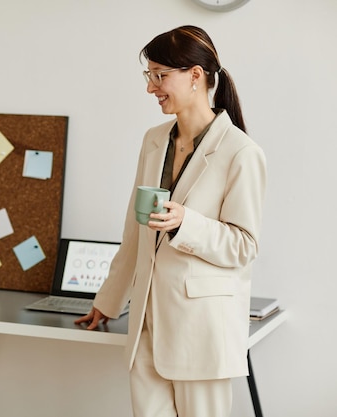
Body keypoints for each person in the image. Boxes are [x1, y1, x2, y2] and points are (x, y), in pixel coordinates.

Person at [75, 26, 266, 417]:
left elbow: (244, 246)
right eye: (150, 76)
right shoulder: (153, 140)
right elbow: (135, 230)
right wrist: (109, 300)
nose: (151, 88)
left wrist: (185, 223)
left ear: (195, 76)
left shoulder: (241, 152)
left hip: (201, 331)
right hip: (146, 324)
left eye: (160, 75)